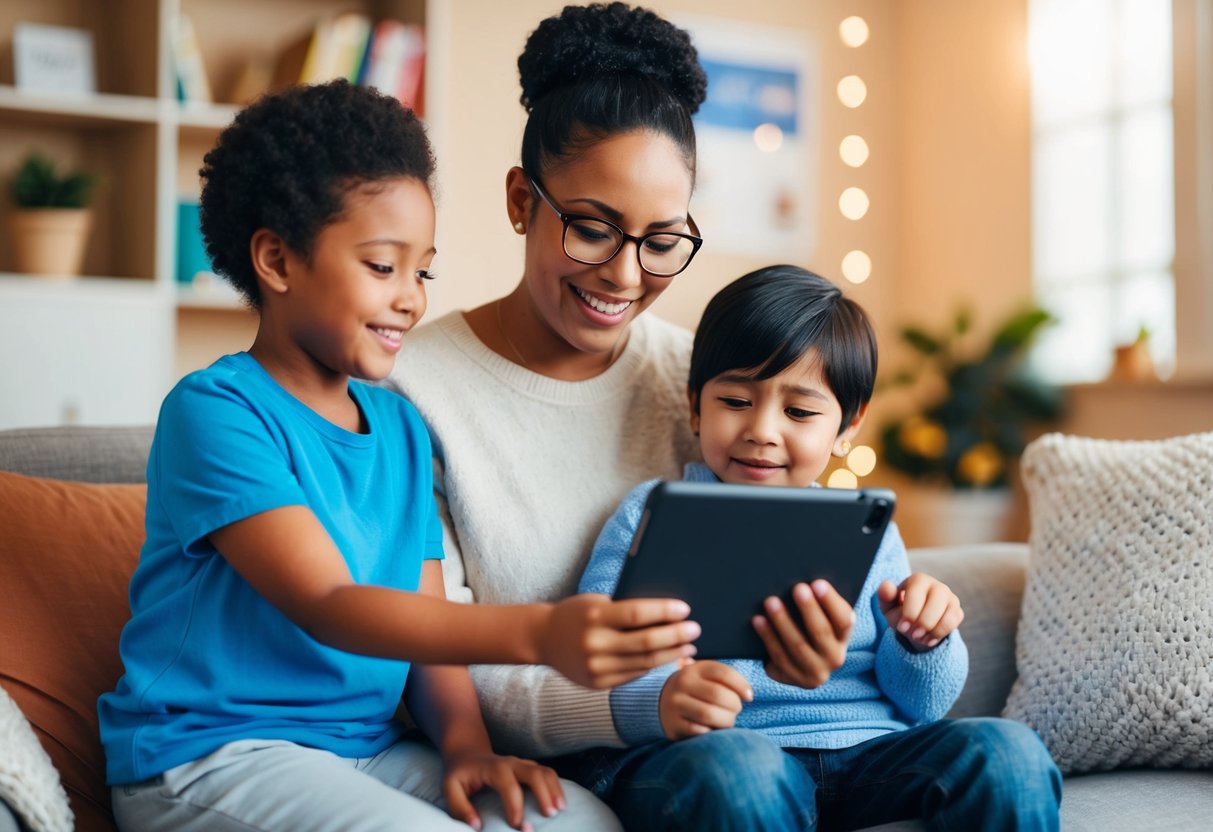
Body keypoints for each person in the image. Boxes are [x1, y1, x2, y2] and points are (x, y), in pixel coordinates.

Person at [96, 80, 702, 832]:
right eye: (383, 267)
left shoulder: (400, 426)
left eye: (424, 271)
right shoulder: (217, 412)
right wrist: (541, 633)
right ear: (278, 260)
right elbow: (331, 606)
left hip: (367, 749)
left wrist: (465, 746)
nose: (412, 299)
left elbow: (425, 623)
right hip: (215, 754)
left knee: (580, 822)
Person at [574, 265, 1064, 831]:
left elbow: (923, 706)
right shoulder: (652, 513)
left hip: (867, 755)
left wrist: (923, 641)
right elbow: (591, 659)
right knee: (742, 770)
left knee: (1009, 753)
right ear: (694, 406)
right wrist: (663, 697)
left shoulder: (863, 527)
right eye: (735, 400)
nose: (762, 429)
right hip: (722, 753)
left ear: (847, 428)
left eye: (800, 412)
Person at [389, 1, 707, 765]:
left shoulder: (701, 381)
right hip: (560, 749)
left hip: (712, 735)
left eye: (661, 240)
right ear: (520, 202)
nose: (625, 275)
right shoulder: (410, 386)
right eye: (593, 229)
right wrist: (633, 712)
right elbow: (433, 654)